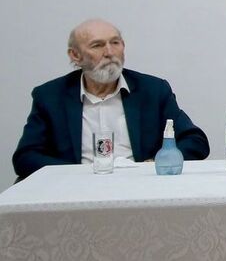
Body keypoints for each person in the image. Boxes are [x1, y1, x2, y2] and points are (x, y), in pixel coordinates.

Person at [13, 19, 209, 179]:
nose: (109, 52)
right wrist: (79, 174)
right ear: (75, 55)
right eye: (97, 45)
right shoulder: (50, 96)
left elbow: (195, 141)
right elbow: (26, 157)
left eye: (115, 43)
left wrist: (156, 163)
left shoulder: (152, 90)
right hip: (76, 190)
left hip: (142, 187)